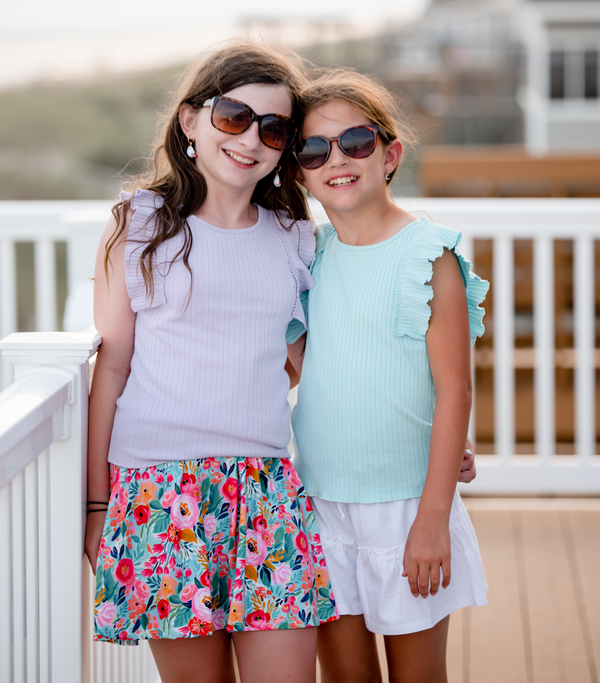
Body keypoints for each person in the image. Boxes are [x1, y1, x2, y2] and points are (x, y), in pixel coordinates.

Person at [84, 42, 338, 683]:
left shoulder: (292, 239)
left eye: (274, 128)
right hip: (159, 496)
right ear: (190, 120)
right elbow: (110, 371)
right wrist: (95, 506)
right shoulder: (140, 228)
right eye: (234, 116)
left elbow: (314, 364)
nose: (251, 139)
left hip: (267, 493)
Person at [288, 68, 489, 683]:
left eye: (356, 141)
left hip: (407, 505)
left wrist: (433, 516)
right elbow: (306, 364)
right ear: (298, 170)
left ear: (390, 152)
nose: (337, 160)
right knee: (347, 676)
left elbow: (455, 387)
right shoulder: (309, 255)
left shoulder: (429, 254)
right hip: (321, 500)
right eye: (315, 150)